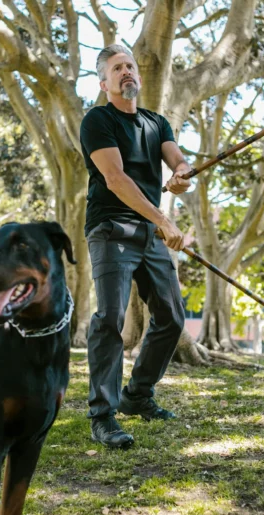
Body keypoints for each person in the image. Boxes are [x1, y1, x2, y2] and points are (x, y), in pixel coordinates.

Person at [80, 44, 192, 449]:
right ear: (104, 82)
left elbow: (178, 160)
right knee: (110, 318)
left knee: (172, 316)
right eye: (117, 68)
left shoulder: (156, 123)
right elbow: (116, 179)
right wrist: (163, 219)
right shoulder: (97, 120)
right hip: (111, 229)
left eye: (130, 65)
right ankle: (103, 415)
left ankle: (137, 396)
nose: (126, 71)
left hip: (148, 232)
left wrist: (181, 173)